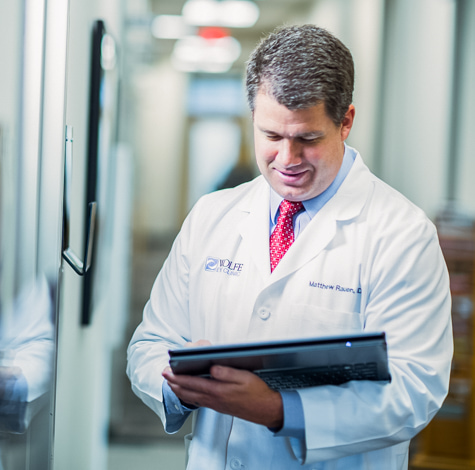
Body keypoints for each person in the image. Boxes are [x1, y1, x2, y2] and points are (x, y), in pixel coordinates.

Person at [127, 24, 453, 469]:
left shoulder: (401, 234)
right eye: (272, 136)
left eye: (308, 139)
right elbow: (151, 340)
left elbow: (415, 389)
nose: (287, 160)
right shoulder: (212, 215)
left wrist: (278, 410)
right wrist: (175, 384)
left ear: (346, 122)